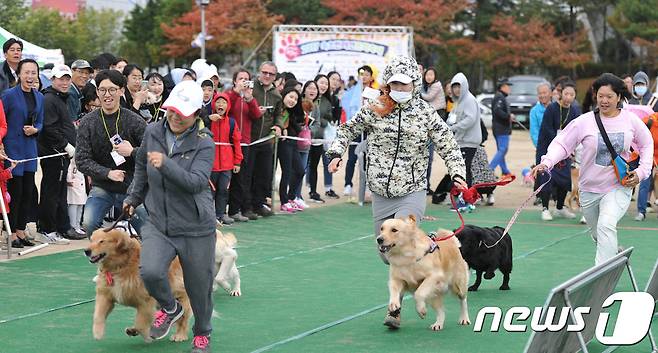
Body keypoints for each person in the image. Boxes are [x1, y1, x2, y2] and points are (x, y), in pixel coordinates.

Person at [326, 55, 466, 260]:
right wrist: (336, 153)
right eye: (395, 84)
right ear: (388, 83)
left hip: (412, 189)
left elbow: (449, 145)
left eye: (404, 84)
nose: (399, 88)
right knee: (387, 255)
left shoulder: (425, 113)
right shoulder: (376, 107)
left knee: (401, 243)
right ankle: (428, 249)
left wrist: (457, 174)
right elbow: (347, 130)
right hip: (380, 191)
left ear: (414, 83)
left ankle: (427, 268)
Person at [123, 80, 216, 353]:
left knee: (199, 287)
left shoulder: (205, 143)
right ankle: (170, 307)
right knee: (150, 271)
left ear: (196, 113)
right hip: (159, 221)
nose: (175, 116)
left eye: (182, 112)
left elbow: (196, 182)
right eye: (171, 110)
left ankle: (202, 333)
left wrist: (166, 164)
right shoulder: (152, 131)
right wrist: (132, 198)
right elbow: (141, 166)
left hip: (195, 226)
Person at [532, 73, 653, 265]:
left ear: (619, 97)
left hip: (618, 187)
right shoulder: (584, 122)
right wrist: (547, 162)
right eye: (600, 96)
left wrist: (641, 172)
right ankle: (612, 252)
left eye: (609, 97)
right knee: (599, 234)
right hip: (588, 190)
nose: (604, 101)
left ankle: (601, 278)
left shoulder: (630, 120)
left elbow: (647, 144)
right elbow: (562, 144)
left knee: (606, 225)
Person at [75, 69, 146, 235]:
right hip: (103, 185)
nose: (107, 94)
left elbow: (152, 153)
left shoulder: (135, 120)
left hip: (133, 187)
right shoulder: (87, 122)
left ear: (121, 91)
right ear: (97, 92)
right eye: (102, 90)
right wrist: (107, 173)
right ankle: (110, 252)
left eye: (112, 89)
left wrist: (131, 151)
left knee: (148, 231)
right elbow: (81, 160)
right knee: (89, 223)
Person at [38, 64, 83, 242]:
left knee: (58, 191)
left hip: (60, 153)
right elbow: (49, 128)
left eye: (67, 79)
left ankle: (58, 227)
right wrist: (65, 146)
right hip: (53, 153)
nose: (64, 82)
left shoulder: (60, 98)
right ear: (53, 80)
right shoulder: (49, 99)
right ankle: (47, 229)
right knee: (51, 191)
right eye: (61, 79)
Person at [1, 59, 42, 248]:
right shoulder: (8, 95)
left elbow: (41, 122)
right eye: (26, 72)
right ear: (19, 74)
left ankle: (21, 229)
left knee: (28, 192)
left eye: (33, 73)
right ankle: (11, 235)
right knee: (15, 193)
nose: (30, 76)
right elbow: (2, 121)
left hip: (30, 149)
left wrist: (35, 129)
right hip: (13, 149)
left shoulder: (39, 96)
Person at [535, 80, 581, 221]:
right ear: (561, 94)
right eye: (566, 93)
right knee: (546, 179)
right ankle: (545, 208)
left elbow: (577, 130)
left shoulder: (574, 111)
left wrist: (571, 146)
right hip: (547, 149)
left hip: (565, 151)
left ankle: (560, 207)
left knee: (564, 181)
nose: (568, 97)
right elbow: (546, 129)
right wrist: (559, 140)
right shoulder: (552, 108)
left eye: (571, 94)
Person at [225, 69, 262, 222]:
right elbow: (225, 109)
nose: (244, 81)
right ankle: (222, 211)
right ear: (235, 81)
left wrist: (250, 98)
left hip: (244, 143)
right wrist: (236, 92)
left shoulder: (249, 98)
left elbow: (256, 116)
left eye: (246, 79)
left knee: (241, 178)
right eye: (241, 78)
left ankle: (235, 210)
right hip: (228, 142)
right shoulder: (229, 95)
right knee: (227, 178)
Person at [447, 72, 483, 208]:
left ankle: (465, 200)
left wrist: (454, 128)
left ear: (464, 86)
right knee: (465, 170)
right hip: (462, 141)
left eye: (459, 86)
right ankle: (469, 198)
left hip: (468, 141)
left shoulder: (468, 99)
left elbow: (470, 119)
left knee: (464, 171)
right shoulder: (459, 102)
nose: (456, 90)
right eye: (454, 87)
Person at [250, 61, 282, 217]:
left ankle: (259, 204)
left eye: (271, 74)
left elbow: (278, 115)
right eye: (265, 72)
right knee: (248, 174)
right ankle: (245, 206)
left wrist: (278, 126)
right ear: (259, 72)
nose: (267, 76)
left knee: (264, 174)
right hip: (248, 139)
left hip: (266, 140)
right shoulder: (251, 89)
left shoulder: (276, 95)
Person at [209, 93, 242, 225]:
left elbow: (237, 143)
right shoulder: (208, 121)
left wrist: (237, 162)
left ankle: (221, 214)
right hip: (211, 164)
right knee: (209, 191)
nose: (220, 105)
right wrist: (209, 120)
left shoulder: (232, 123)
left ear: (228, 106)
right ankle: (209, 216)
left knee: (223, 190)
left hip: (227, 165)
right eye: (218, 102)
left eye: (223, 103)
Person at [276, 86, 306, 213]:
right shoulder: (278, 108)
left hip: (292, 142)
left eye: (295, 99)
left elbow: (298, 126)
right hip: (283, 143)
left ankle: (291, 198)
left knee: (300, 171)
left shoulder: (292, 113)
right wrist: (281, 128)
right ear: (284, 95)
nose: (292, 100)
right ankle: (284, 202)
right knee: (286, 172)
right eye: (290, 97)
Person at [635, 111, 658, 221]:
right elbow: (638, 138)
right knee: (645, 182)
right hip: (648, 154)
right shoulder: (649, 121)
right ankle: (641, 212)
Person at [489, 78, 514, 177]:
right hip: (501, 128)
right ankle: (490, 169)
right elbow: (498, 111)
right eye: (508, 86)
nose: (509, 89)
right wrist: (508, 116)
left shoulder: (500, 96)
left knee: (501, 149)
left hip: (500, 128)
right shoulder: (499, 97)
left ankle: (505, 171)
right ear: (503, 87)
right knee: (503, 149)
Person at [66, 158, 86, 236]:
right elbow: (70, 167)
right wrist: (68, 179)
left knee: (80, 205)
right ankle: (73, 226)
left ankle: (78, 226)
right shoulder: (73, 157)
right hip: (73, 182)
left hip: (80, 181)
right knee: (73, 204)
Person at [529, 82, 552, 148]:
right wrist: (540, 146)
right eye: (540, 93)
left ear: (550, 93)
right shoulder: (534, 111)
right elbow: (534, 132)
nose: (542, 95)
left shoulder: (557, 108)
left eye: (544, 93)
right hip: (542, 147)